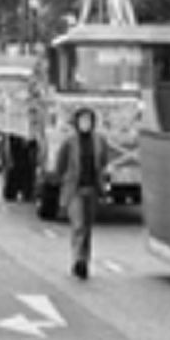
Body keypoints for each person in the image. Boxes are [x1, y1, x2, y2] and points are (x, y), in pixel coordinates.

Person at [54, 107, 110, 280]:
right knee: (78, 226)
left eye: (89, 121)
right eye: (82, 121)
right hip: (75, 190)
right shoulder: (69, 142)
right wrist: (65, 181)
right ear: (77, 123)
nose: (86, 124)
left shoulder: (99, 141)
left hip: (92, 188)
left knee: (87, 228)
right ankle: (78, 260)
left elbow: (103, 161)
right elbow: (60, 164)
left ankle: (85, 260)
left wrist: (102, 181)